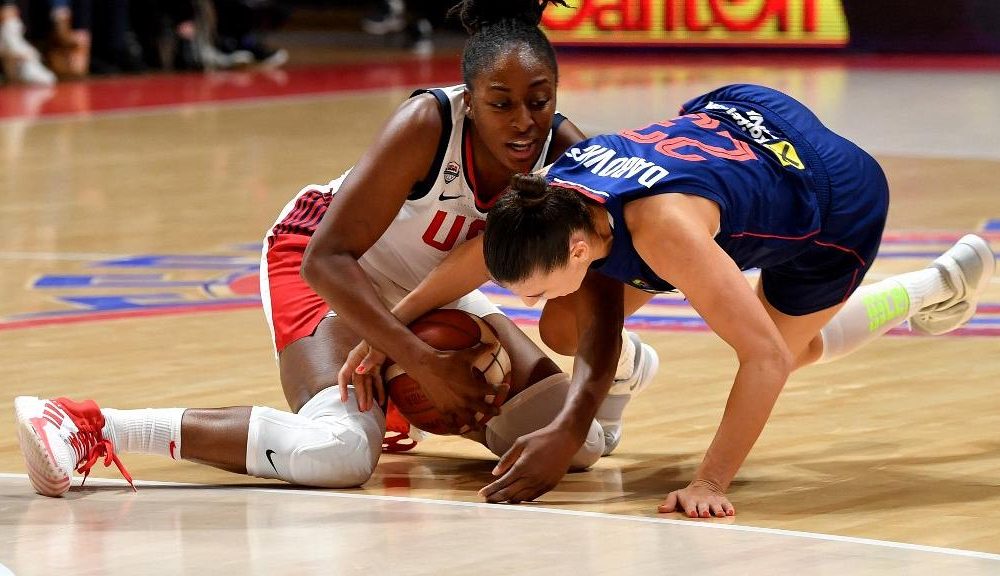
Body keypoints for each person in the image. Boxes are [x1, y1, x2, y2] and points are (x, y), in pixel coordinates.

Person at [14, 0, 658, 497]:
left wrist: (578, 407)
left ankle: (624, 372)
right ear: (471, 99)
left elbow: (601, 292)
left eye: (539, 102)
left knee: (577, 447)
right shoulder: (429, 124)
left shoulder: (571, 156)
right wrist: (420, 361)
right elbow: (328, 258)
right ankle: (89, 424)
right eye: (501, 104)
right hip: (324, 262)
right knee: (338, 455)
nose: (523, 122)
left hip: (428, 287)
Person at [468, 83, 996, 516]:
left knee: (784, 353)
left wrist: (710, 484)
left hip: (834, 196)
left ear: (579, 250)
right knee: (564, 327)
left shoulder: (665, 233)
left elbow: (763, 360)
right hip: (743, 113)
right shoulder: (549, 195)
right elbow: (475, 265)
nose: (530, 302)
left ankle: (930, 288)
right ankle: (626, 370)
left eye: (533, 290)